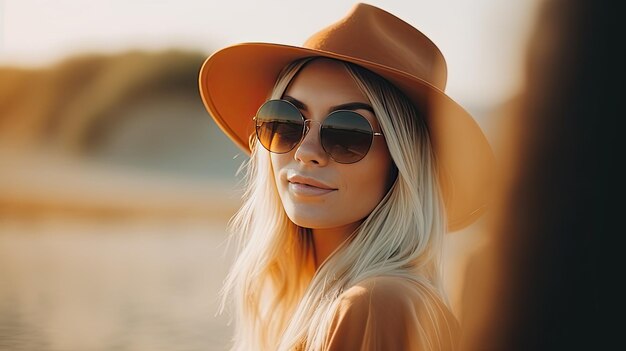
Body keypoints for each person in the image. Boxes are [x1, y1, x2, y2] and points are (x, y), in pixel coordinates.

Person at [198, 3, 494, 350]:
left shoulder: (376, 303)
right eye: (287, 121)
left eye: (347, 133)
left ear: (400, 165)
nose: (306, 151)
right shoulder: (331, 300)